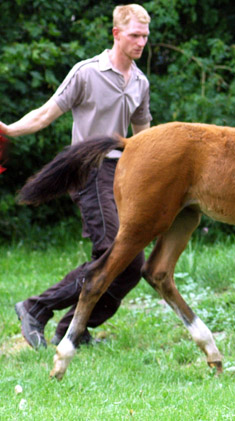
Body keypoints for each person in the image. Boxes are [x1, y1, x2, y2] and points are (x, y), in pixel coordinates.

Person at [0, 4, 152, 349]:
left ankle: (73, 329)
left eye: (145, 36)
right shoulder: (86, 73)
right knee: (113, 251)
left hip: (123, 174)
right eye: (134, 35)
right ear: (116, 34)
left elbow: (144, 137)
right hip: (89, 170)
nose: (141, 42)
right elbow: (44, 114)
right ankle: (36, 308)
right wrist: (9, 129)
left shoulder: (141, 82)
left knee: (131, 263)